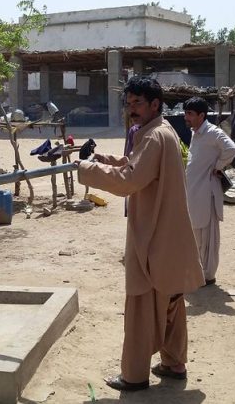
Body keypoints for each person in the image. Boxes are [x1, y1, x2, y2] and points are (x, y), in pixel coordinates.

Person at [76, 76, 204, 392]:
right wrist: (103, 160)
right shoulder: (160, 132)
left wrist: (86, 170)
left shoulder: (154, 136)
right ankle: (174, 363)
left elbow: (132, 178)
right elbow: (136, 164)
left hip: (154, 239)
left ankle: (134, 376)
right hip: (171, 237)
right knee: (172, 304)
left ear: (154, 104)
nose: (131, 110)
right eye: (129, 103)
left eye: (137, 104)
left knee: (142, 305)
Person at [183, 97, 235, 286]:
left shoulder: (213, 132)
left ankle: (208, 276)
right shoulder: (195, 132)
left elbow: (232, 149)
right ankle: (198, 272)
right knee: (196, 234)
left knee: (208, 237)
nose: (186, 117)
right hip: (194, 192)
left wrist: (218, 166)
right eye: (186, 113)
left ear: (201, 115)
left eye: (190, 114)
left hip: (207, 191)